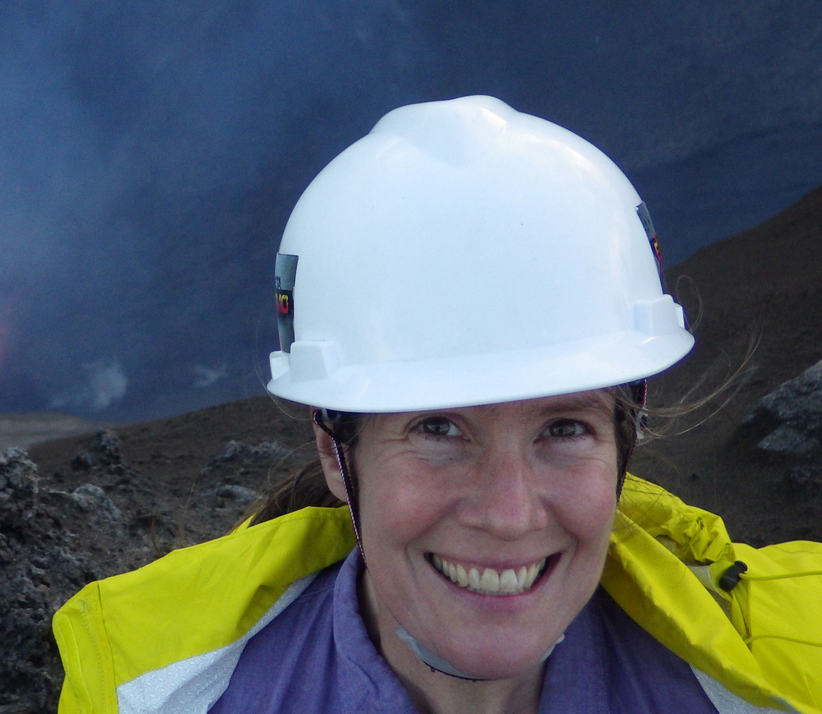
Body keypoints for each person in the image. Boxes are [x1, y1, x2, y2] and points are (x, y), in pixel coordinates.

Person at [53, 96, 822, 713]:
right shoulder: (151, 693)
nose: (511, 514)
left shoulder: (793, 670)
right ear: (334, 450)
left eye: (564, 427)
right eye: (438, 429)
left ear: (628, 432)